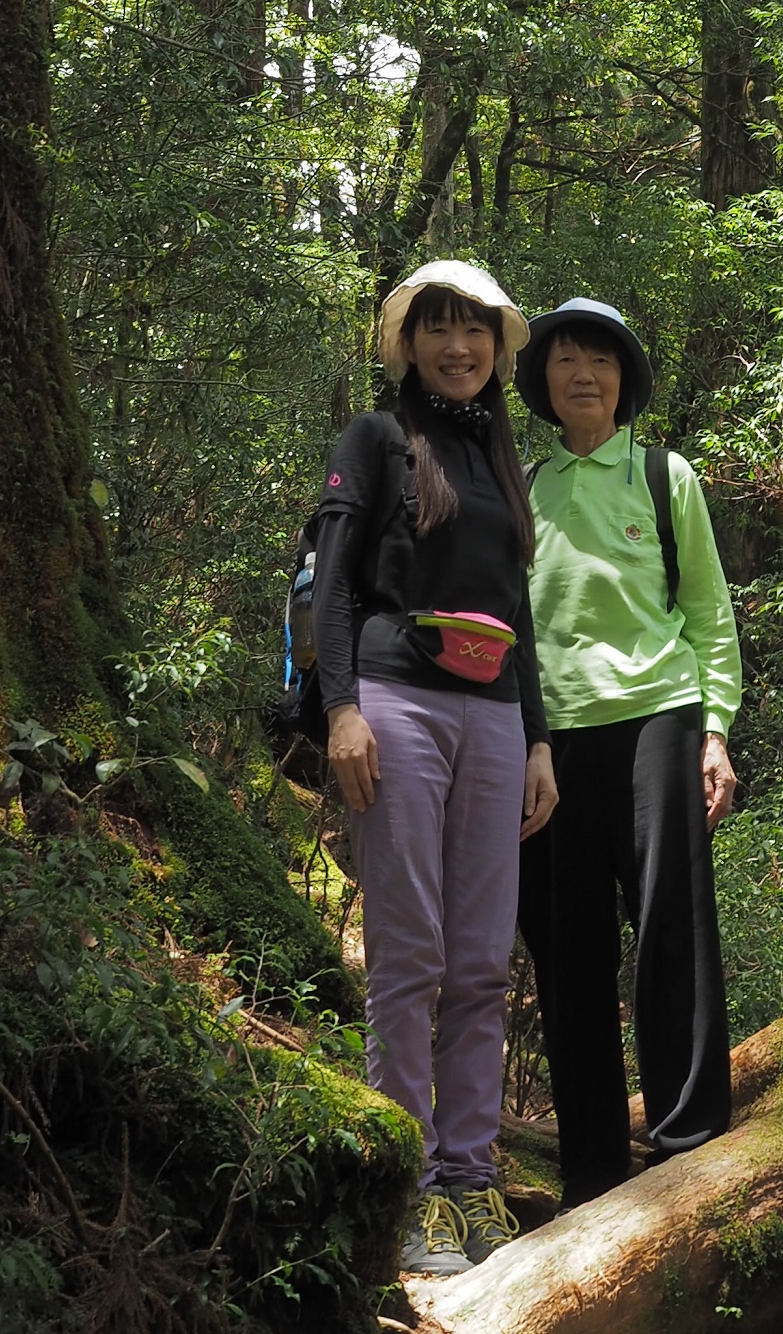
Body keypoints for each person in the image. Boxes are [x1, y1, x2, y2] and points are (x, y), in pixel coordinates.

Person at [313, 258, 560, 1276]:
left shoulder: (502, 456)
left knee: (481, 961)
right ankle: (407, 1186)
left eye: (475, 330)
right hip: (397, 703)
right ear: (408, 345)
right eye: (438, 328)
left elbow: (517, 610)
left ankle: (469, 1175)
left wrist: (538, 738)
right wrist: (341, 711)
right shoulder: (375, 439)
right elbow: (334, 584)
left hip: (494, 715)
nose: (458, 347)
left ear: (497, 348)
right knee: (410, 953)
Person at [514, 295, 742, 1209]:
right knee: (567, 949)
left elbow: (709, 612)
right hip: (551, 740)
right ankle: (594, 1166)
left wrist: (716, 730)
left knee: (670, 926)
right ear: (544, 381)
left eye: (601, 361)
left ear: (624, 382)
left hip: (660, 715)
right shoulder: (523, 487)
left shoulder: (662, 475)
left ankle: (689, 1138)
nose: (584, 375)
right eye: (566, 359)